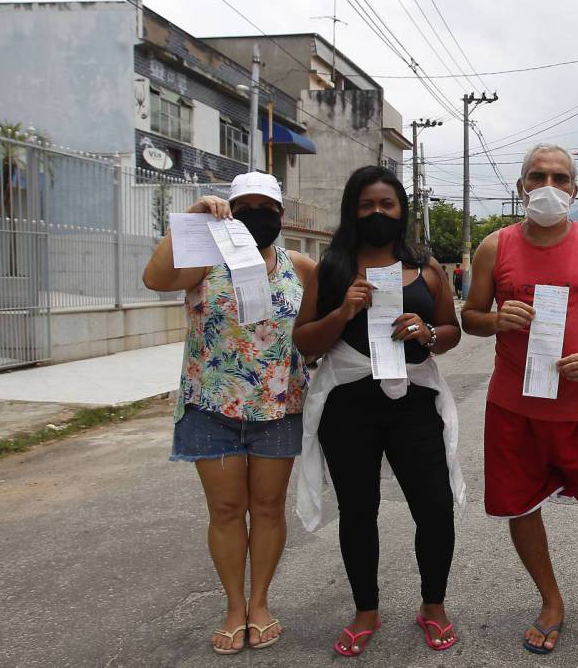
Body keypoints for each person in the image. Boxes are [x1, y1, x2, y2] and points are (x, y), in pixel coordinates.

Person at [461, 143, 578, 667]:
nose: (548, 186)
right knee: (521, 506)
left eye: (559, 178)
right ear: (521, 187)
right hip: (514, 408)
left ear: (574, 189)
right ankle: (551, 600)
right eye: (537, 176)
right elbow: (471, 315)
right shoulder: (494, 247)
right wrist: (496, 320)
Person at [293, 165, 464, 657]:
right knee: (358, 511)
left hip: (412, 402)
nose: (377, 213)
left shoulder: (427, 268)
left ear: (401, 210)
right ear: (353, 211)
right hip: (349, 405)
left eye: (386, 205)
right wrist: (342, 311)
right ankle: (365, 609)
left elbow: (451, 331)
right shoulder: (332, 269)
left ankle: (433, 605)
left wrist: (426, 333)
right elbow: (304, 341)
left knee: (433, 507)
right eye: (366, 205)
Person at [142, 171, 313, 655]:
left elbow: (312, 328)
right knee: (225, 510)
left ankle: (260, 603)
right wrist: (192, 220)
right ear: (230, 213)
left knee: (267, 508)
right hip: (210, 408)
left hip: (279, 407)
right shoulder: (202, 260)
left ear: (280, 216)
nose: (256, 215)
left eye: (267, 207)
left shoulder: (298, 265)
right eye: (245, 207)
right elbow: (154, 279)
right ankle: (234, 607)